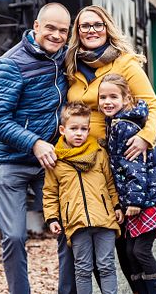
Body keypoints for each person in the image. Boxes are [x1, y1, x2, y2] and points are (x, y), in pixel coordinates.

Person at [65, 5, 156, 293]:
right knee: (106, 244)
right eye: (84, 26)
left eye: (97, 25)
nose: (91, 30)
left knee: (133, 247)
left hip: (122, 163)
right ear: (77, 32)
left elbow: (153, 107)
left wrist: (146, 137)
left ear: (107, 28)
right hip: (87, 166)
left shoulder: (125, 64)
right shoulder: (71, 67)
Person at [0, 3, 71, 294]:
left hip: (50, 161)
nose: (56, 35)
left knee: (70, 229)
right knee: (13, 236)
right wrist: (34, 143)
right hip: (11, 161)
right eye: (50, 28)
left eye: (63, 30)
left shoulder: (65, 59)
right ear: (36, 26)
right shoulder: (11, 64)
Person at [100, 73, 156, 294]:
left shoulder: (124, 126)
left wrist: (132, 202)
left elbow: (135, 167)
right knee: (132, 251)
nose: (107, 102)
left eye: (113, 96)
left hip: (148, 199)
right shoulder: (115, 122)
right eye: (102, 97)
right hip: (143, 197)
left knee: (140, 251)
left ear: (126, 99)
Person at [43, 102, 123, 294]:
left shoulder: (98, 153)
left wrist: (117, 205)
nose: (79, 133)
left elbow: (110, 182)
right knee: (82, 268)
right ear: (63, 130)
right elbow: (50, 192)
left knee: (106, 265)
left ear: (89, 130)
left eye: (83, 129)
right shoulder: (56, 161)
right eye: (73, 129)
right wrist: (52, 217)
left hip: (104, 220)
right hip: (76, 223)